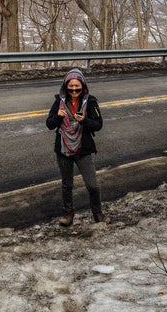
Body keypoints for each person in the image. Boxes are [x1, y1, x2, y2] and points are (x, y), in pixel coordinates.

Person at [46, 68, 111, 226]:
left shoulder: (91, 102)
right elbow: (49, 124)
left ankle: (97, 213)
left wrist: (84, 121)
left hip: (83, 149)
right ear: (65, 87)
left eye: (77, 86)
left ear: (83, 86)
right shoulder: (59, 102)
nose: (74, 89)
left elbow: (98, 125)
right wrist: (57, 117)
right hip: (63, 149)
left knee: (93, 185)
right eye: (71, 86)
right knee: (67, 185)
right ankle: (68, 215)